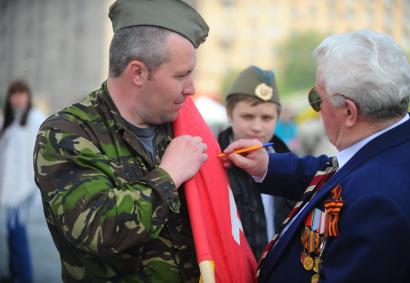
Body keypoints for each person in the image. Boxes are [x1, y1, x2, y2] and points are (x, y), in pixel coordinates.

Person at [222, 30, 410, 283]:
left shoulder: (378, 201)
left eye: (317, 98)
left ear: (349, 112)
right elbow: (337, 173)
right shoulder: (403, 143)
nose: (316, 107)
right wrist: (267, 166)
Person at [33, 0, 209, 282]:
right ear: (137, 72)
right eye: (181, 75)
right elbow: (98, 229)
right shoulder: (67, 133)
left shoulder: (179, 124)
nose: (192, 88)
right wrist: (169, 175)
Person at [217, 66, 294, 260]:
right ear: (229, 114)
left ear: (278, 117)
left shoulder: (289, 163)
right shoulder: (211, 162)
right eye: (247, 116)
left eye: (267, 118)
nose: (257, 127)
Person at [0, 80, 46, 283]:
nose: (17, 98)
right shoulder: (10, 121)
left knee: (17, 232)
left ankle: (24, 277)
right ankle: (15, 272)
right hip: (10, 188)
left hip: (26, 187)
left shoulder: (35, 118)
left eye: (21, 94)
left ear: (28, 96)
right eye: (14, 94)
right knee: (11, 232)